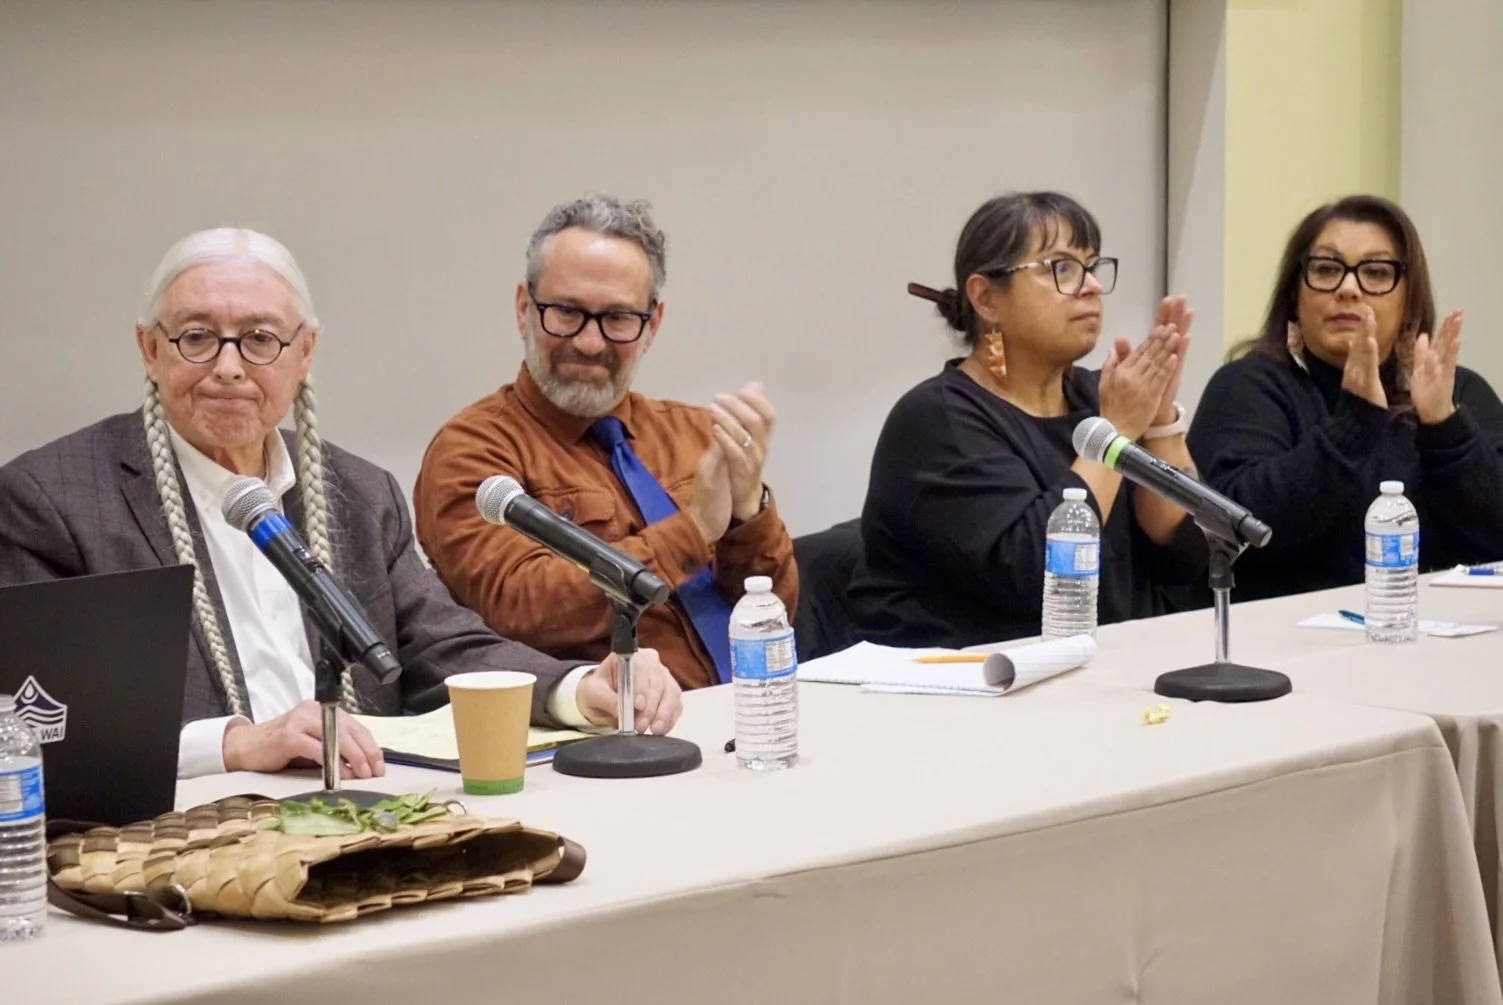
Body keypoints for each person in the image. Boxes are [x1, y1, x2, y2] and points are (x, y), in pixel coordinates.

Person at [0, 227, 683, 780]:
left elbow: (441, 645)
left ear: (305, 354)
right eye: (197, 337)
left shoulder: (356, 491)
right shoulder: (57, 500)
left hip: (368, 804)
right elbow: (36, 723)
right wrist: (234, 744)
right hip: (180, 840)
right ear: (149, 349)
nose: (230, 366)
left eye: (261, 339)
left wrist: (574, 689)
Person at [415, 194, 798, 691]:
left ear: (652, 326)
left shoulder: (694, 433)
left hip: (749, 711)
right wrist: (695, 528)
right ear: (523, 309)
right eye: (567, 312)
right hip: (599, 739)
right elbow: (518, 608)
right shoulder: (473, 450)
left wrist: (749, 515)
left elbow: (777, 614)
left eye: (617, 319)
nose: (590, 343)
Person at [848, 191, 1206, 648]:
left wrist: (1157, 422)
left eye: (1091, 267)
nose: (1091, 286)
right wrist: (1114, 433)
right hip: (973, 689)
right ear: (986, 298)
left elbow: (1186, 554)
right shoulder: (936, 421)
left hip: (1110, 673)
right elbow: (1041, 576)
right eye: (1061, 269)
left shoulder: (1099, 396)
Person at [1188, 195, 1503, 600]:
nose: (1349, 289)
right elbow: (1233, 533)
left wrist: (1445, 429)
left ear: (1409, 298)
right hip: (1289, 642)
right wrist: (1355, 425)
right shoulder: (1249, 386)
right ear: (1294, 297)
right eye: (1327, 269)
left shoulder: (1457, 391)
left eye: (1375, 272)